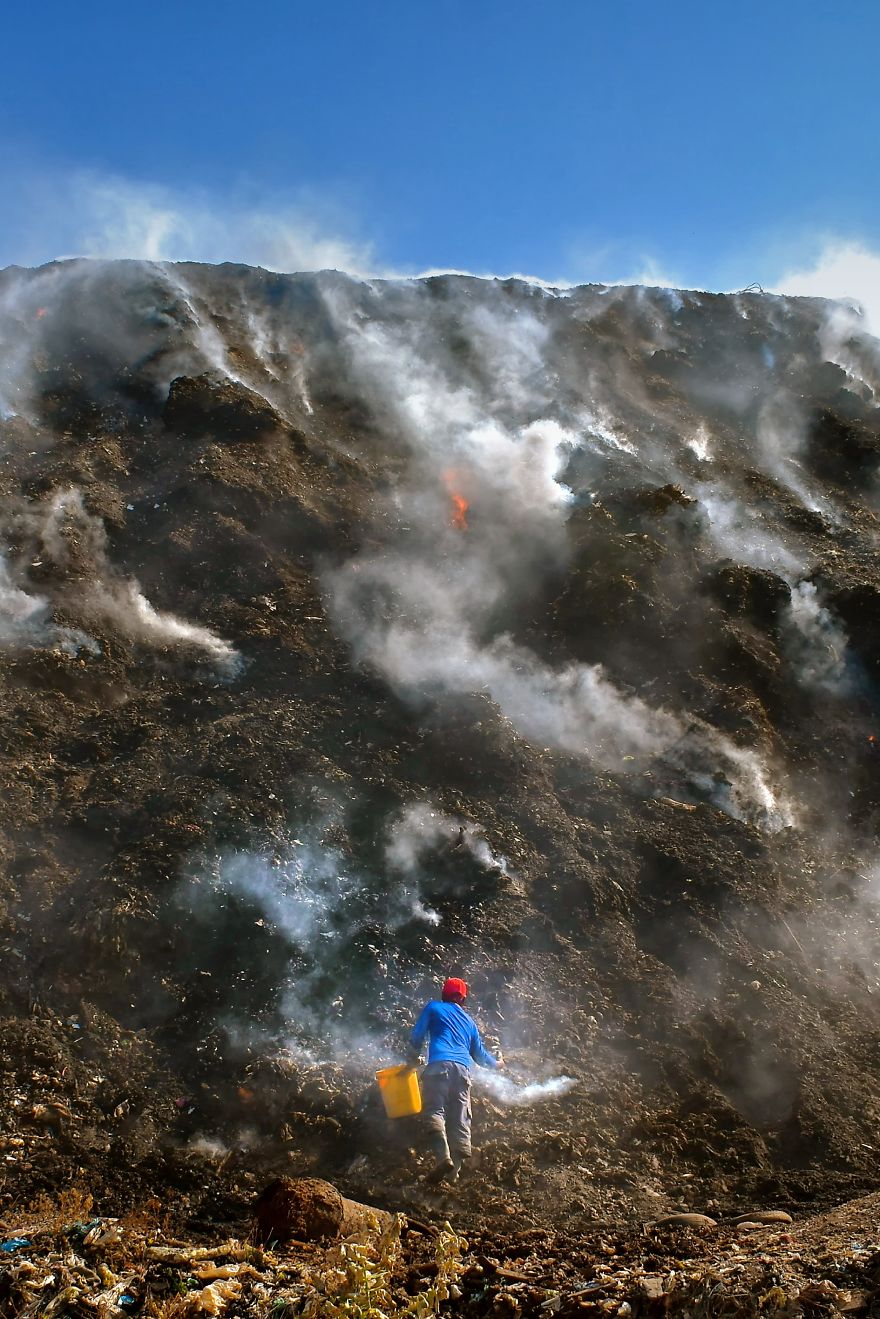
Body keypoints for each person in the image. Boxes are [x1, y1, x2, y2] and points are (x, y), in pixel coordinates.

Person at [408, 976, 504, 1184]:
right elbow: (480, 1056)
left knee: (435, 1111)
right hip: (462, 1072)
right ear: (463, 1000)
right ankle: (454, 1175)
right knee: (461, 1119)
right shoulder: (469, 1023)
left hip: (439, 1066)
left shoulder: (434, 1008)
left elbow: (417, 1035)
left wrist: (413, 1053)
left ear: (444, 994)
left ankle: (444, 1159)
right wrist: (498, 1065)